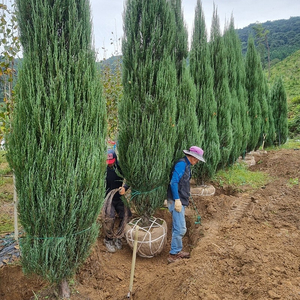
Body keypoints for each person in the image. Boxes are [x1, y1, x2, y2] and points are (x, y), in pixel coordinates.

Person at [166, 146, 205, 263]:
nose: (197, 161)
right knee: (181, 229)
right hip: (176, 201)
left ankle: (176, 250)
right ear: (192, 157)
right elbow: (173, 182)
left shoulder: (187, 165)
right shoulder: (181, 164)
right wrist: (177, 199)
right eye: (197, 159)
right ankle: (173, 254)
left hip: (181, 199)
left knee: (178, 227)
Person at [104, 149, 131, 253]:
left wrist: (124, 187)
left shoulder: (120, 166)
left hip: (119, 196)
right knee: (109, 217)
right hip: (107, 197)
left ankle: (119, 237)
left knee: (126, 215)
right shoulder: (103, 169)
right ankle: (108, 239)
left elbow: (129, 178)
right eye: (108, 163)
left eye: (111, 162)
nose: (110, 165)